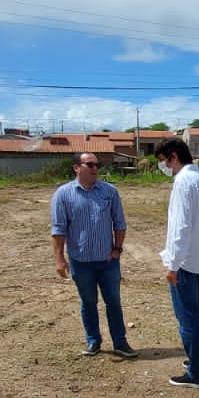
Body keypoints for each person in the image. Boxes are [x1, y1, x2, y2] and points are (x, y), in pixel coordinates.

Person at [51, 152, 137, 359]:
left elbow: (120, 223)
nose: (95, 168)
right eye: (89, 164)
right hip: (81, 262)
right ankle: (93, 341)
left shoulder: (109, 192)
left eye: (97, 164)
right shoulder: (63, 195)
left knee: (113, 303)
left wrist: (118, 249)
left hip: (108, 262)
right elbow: (58, 229)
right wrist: (59, 259)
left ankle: (120, 342)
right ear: (76, 168)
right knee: (88, 303)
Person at [157, 137, 199, 389]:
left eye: (163, 161)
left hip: (186, 264)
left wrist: (172, 264)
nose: (163, 166)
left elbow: (180, 227)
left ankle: (198, 374)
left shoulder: (183, 182)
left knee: (188, 320)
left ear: (173, 156)